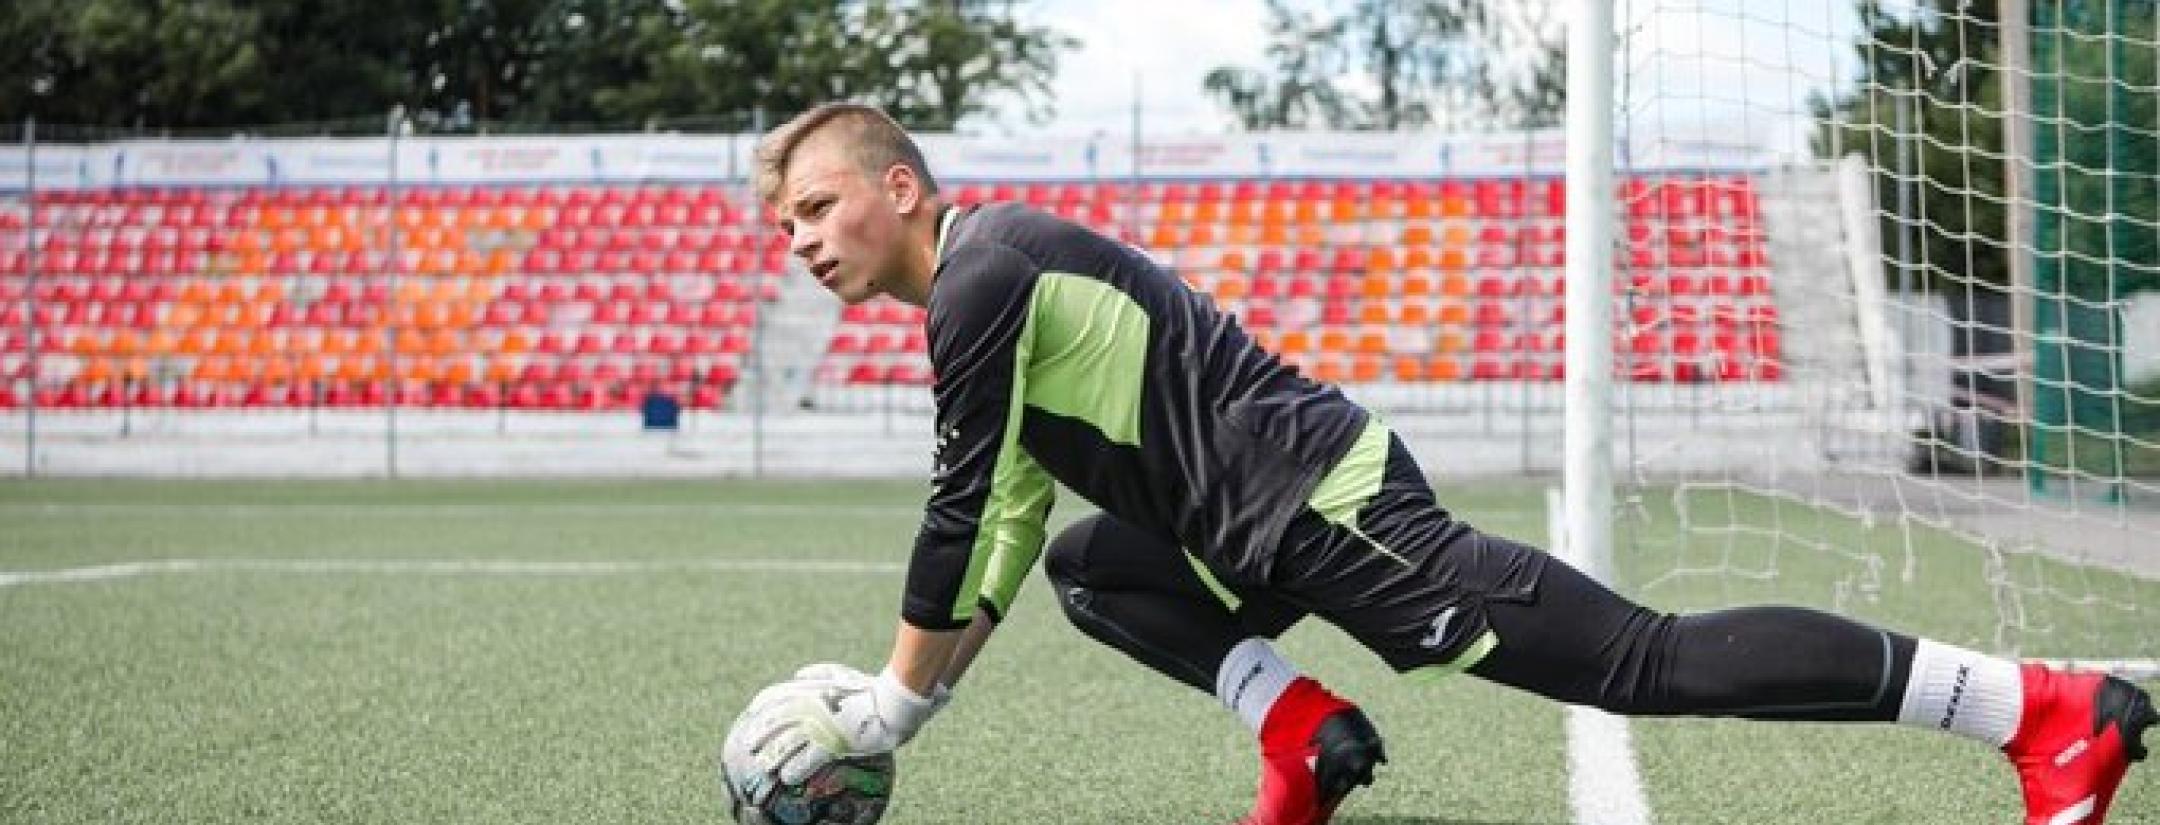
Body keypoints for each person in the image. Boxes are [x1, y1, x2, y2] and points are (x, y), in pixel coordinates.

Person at [728, 102, 2153, 825]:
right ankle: (1306, 737)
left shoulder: (983, 272)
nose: (801, 240)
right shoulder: (982, 287)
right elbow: (1003, 532)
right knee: (1096, 570)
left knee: (1639, 659)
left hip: (1327, 514)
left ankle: (2037, 707)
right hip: (1249, 532)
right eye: (785, 224)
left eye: (816, 205)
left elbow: (951, 507)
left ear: (897, 186)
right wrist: (908, 690)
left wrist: (893, 714)